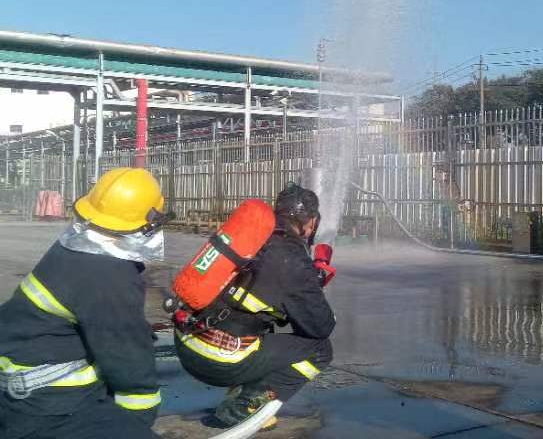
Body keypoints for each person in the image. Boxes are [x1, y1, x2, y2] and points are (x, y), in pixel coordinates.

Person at [0, 167, 170, 439]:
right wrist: (138, 417)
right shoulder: (109, 274)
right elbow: (127, 356)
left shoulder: (76, 245)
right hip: (46, 404)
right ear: (148, 223)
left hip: (21, 379)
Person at [174, 183, 335, 429]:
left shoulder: (249, 238)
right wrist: (311, 284)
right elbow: (320, 326)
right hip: (216, 363)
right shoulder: (292, 258)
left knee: (258, 320)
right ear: (311, 222)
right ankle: (244, 405)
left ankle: (240, 392)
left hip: (186, 343)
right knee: (320, 350)